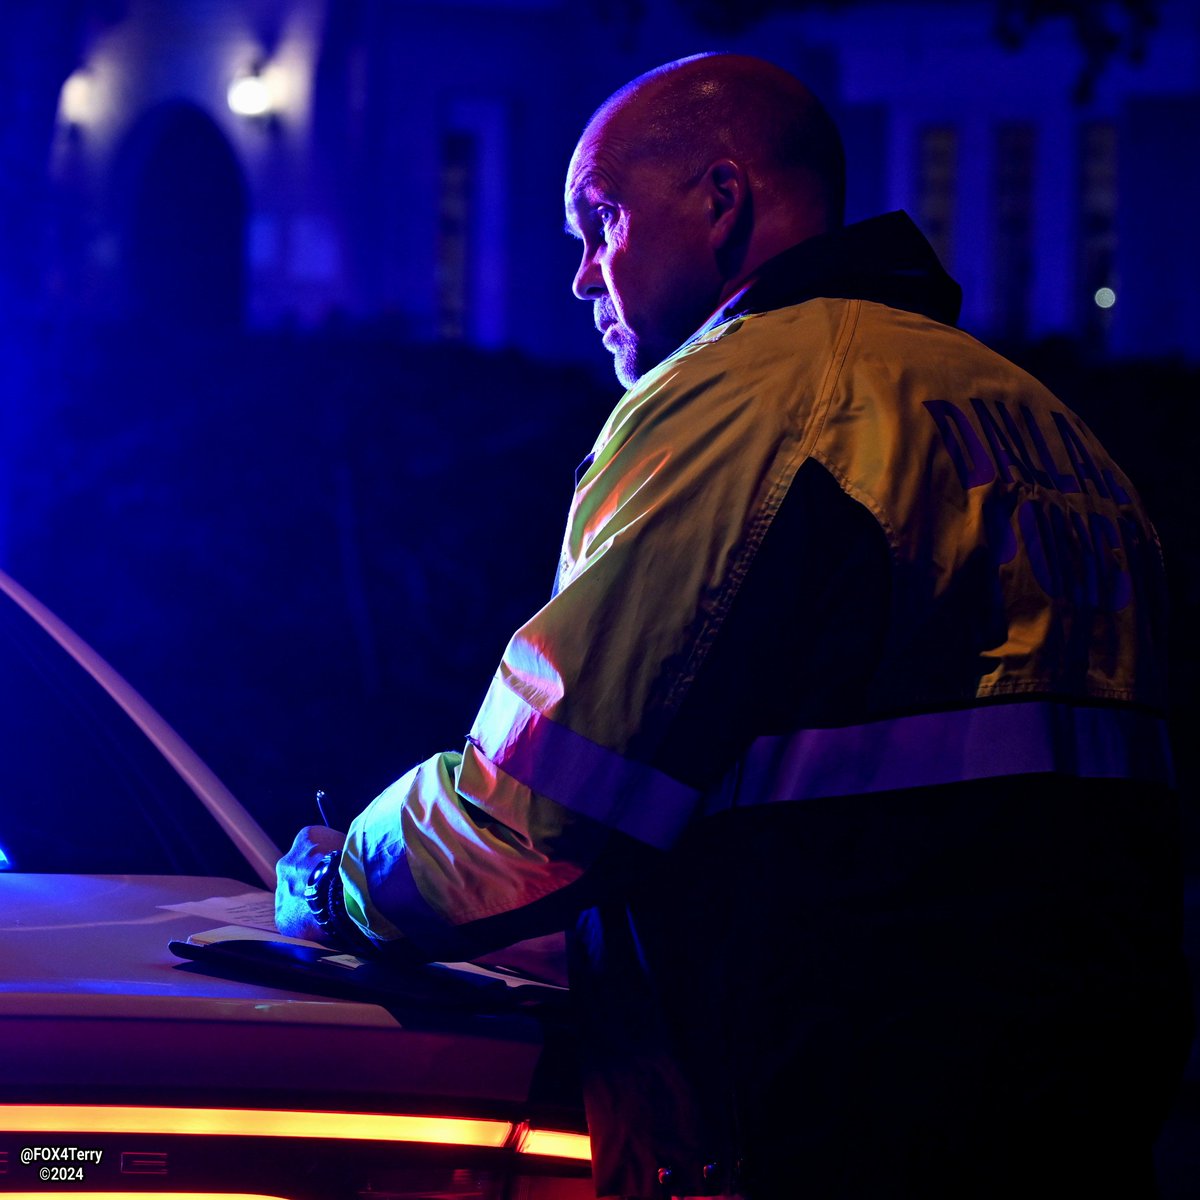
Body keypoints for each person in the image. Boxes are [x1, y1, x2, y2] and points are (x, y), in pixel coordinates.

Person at [277, 53, 1191, 1199]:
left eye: (600, 218)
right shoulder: (1042, 424)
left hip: (829, 1120)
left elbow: (530, 817)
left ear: (723, 199)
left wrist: (333, 880)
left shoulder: (751, 395)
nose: (580, 276)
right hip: (1077, 1120)